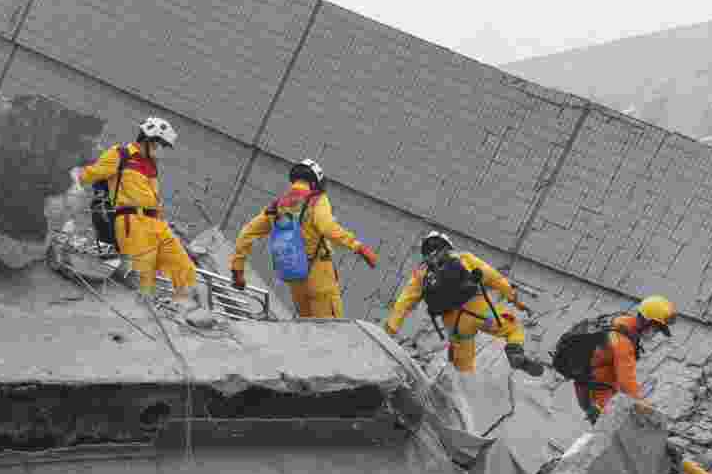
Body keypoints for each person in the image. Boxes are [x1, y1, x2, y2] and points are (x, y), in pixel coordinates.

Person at [229, 159, 378, 318]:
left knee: (307, 329)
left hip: (295, 278)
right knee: (331, 331)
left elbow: (247, 233)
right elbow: (327, 227)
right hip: (320, 279)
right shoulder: (317, 200)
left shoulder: (277, 206)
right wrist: (358, 247)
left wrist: (237, 269)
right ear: (315, 182)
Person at [383, 231, 545, 377]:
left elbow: (404, 302)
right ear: (448, 246)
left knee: (462, 364)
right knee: (514, 328)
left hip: (454, 323)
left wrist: (390, 328)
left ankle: (460, 383)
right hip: (479, 310)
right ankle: (514, 351)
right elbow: (494, 277)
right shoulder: (463, 257)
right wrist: (515, 300)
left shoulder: (421, 274)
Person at [77, 117, 198, 310]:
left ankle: (185, 311)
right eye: (162, 145)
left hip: (155, 222)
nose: (162, 150)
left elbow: (152, 198)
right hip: (130, 220)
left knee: (185, 268)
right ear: (149, 140)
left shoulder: (152, 166)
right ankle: (142, 316)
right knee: (145, 276)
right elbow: (90, 173)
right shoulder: (121, 154)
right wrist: (64, 180)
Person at [572, 295, 676, 423]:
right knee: (605, 431)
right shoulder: (623, 343)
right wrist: (644, 405)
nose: (655, 333)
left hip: (590, 383)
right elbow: (626, 382)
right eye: (656, 328)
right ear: (646, 322)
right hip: (597, 393)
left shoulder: (623, 321)